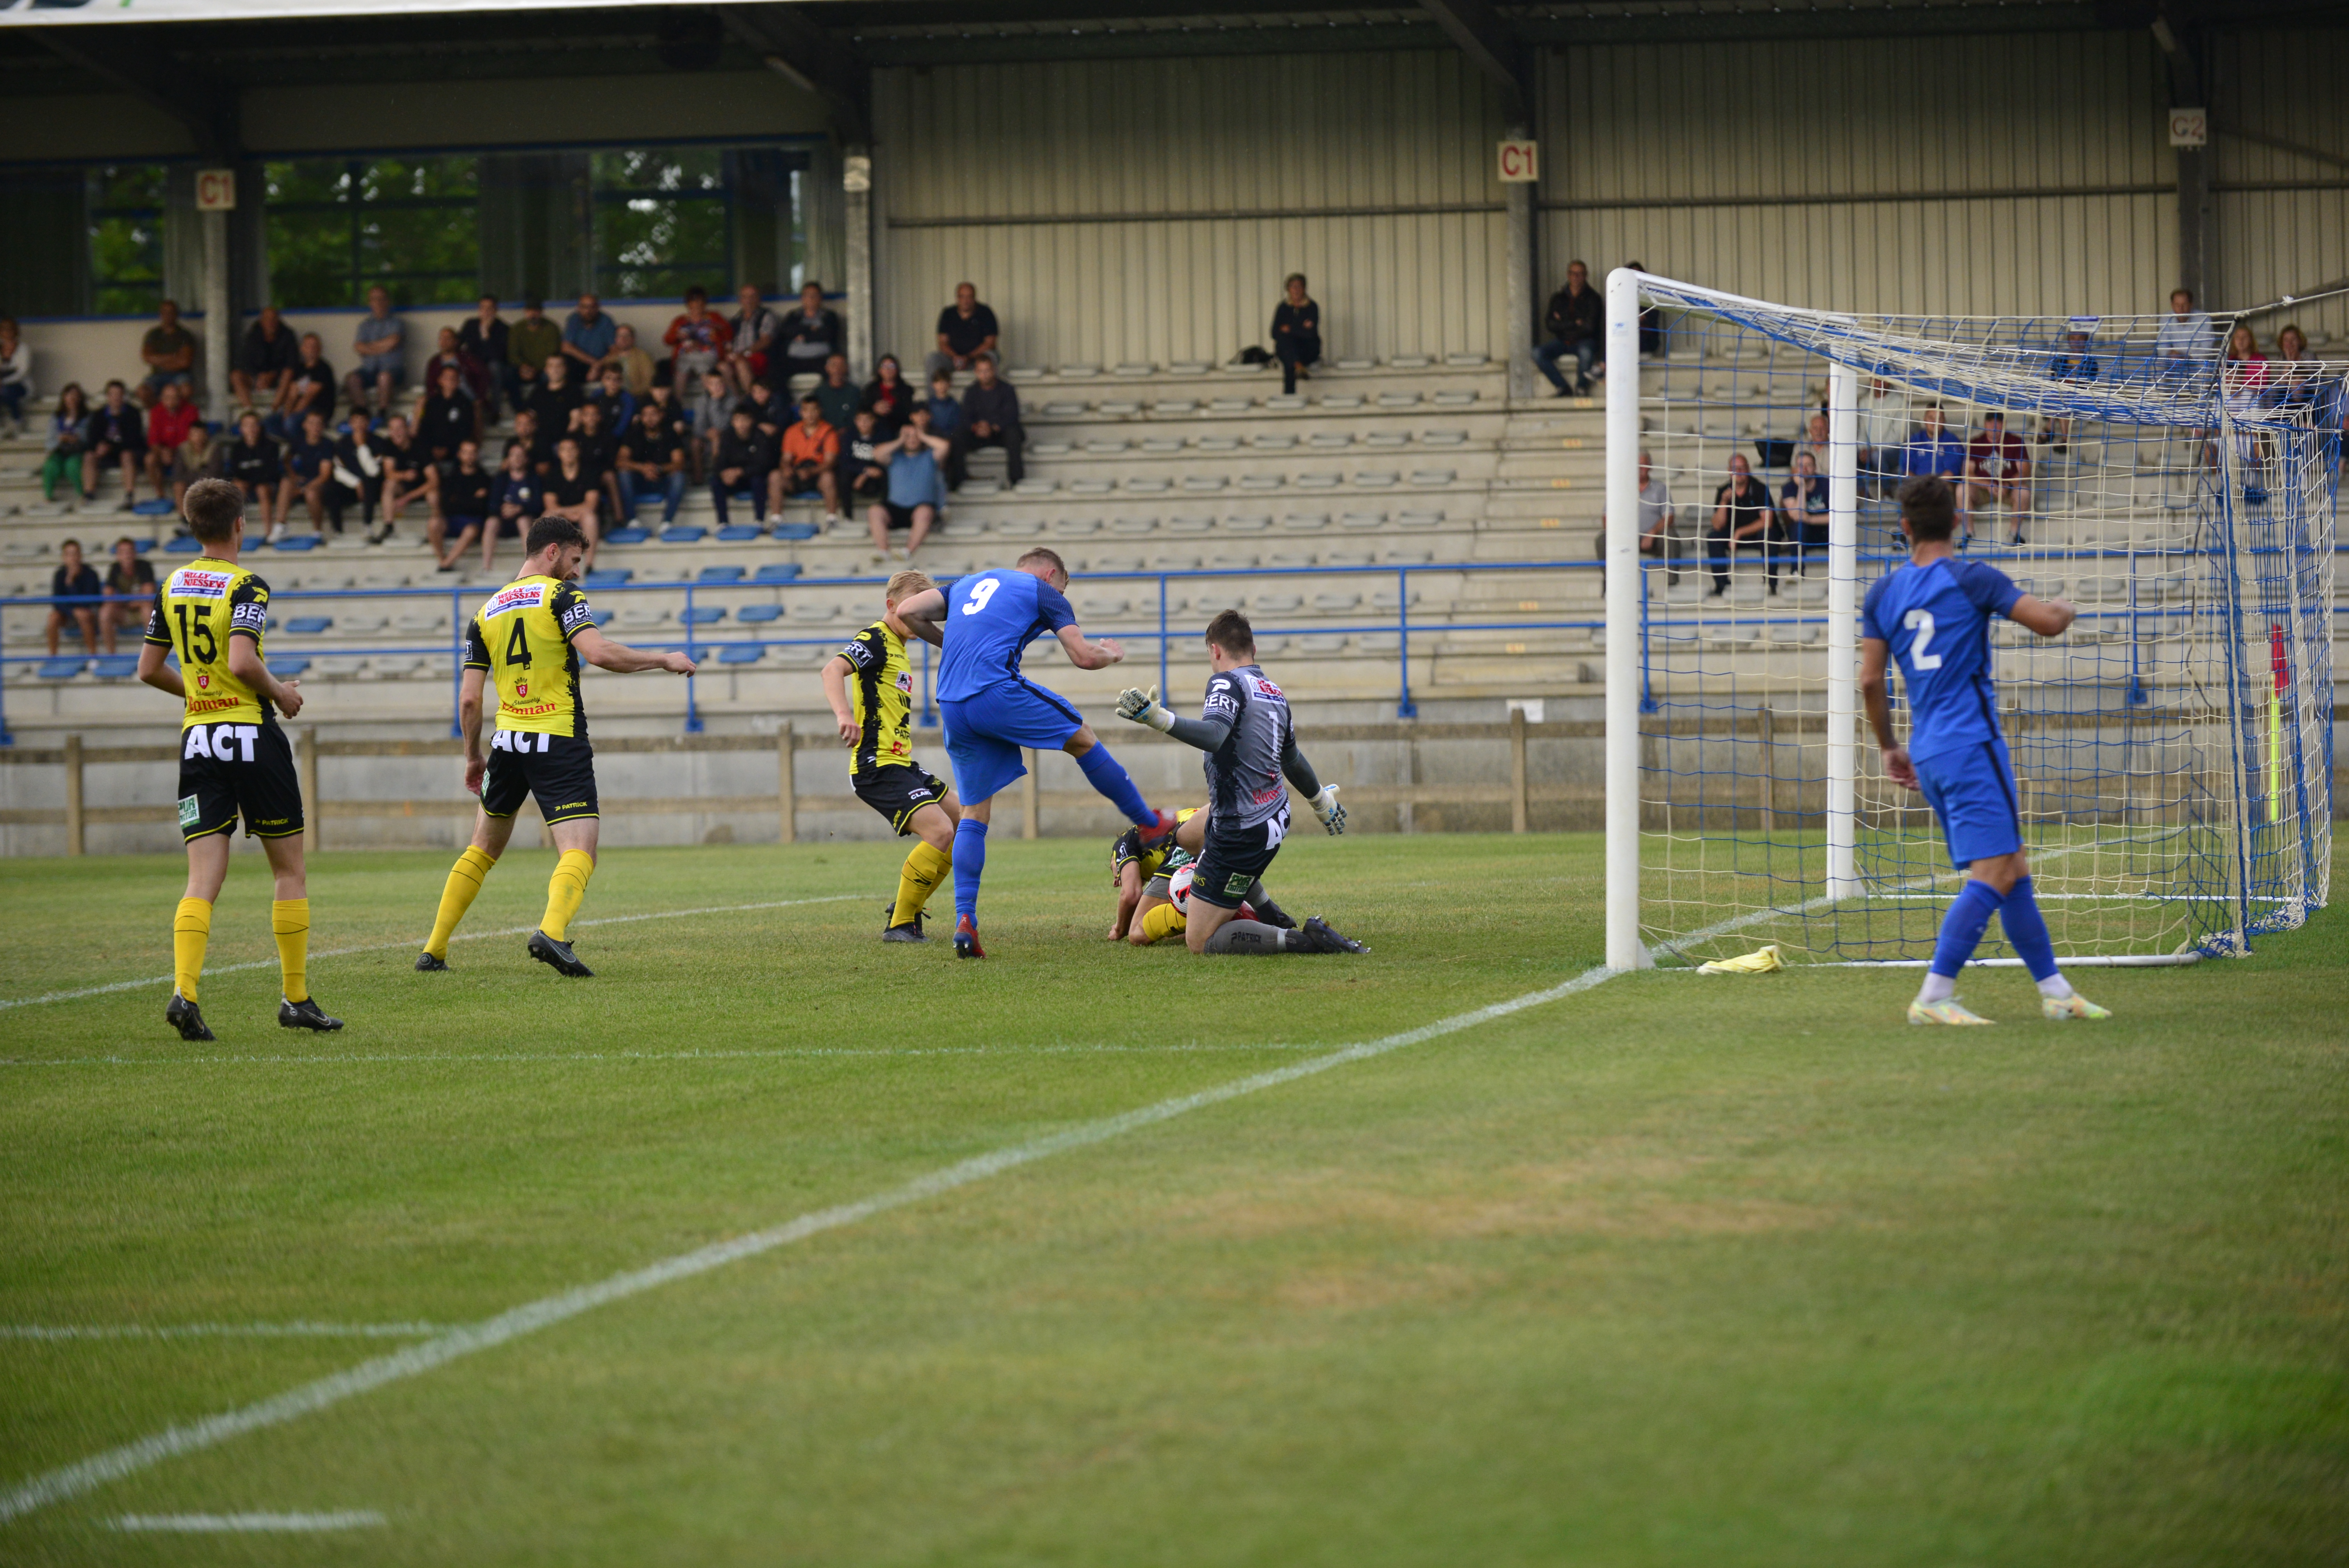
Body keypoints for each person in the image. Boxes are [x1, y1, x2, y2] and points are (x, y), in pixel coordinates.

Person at [1859, 474, 2107, 1026]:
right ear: (1958, 522)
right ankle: (1933, 996)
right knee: (1993, 873)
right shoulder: (1973, 579)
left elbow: (1871, 681)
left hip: (1927, 751)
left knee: (2012, 867)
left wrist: (1888, 747)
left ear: (1904, 529)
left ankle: (2057, 991)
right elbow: (2046, 623)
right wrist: (2065, 607)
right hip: (1972, 744)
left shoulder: (1882, 593)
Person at [415, 515, 697, 978]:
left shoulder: (484, 612)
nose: (576, 570)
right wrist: (663, 658)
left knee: (481, 849)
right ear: (551, 551)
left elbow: (469, 697)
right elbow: (599, 652)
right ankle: (551, 931)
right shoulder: (561, 596)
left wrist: (473, 755)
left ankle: (434, 948)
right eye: (574, 558)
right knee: (580, 849)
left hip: (506, 742)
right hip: (557, 736)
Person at [890, 548, 1176, 959]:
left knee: (973, 813)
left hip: (952, 703)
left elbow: (907, 610)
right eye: (1061, 586)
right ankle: (1148, 825)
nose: (1060, 594)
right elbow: (1082, 656)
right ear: (1050, 574)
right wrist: (1111, 654)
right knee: (1082, 738)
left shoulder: (969, 583)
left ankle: (965, 921)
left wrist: (951, 641)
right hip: (993, 689)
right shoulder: (1043, 591)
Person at [135, 477, 341, 1040]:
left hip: (199, 739)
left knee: (201, 879)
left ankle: (185, 991)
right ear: (240, 525)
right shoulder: (247, 585)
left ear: (191, 525)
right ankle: (296, 998)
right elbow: (244, 661)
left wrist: (203, 696)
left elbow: (148, 670)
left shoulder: (173, 584)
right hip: (250, 736)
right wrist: (280, 692)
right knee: (289, 869)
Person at [1111, 611, 1363, 955]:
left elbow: (1215, 735)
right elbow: (1292, 760)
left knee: (1200, 941)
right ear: (1254, 649)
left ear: (1215, 650)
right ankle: (1264, 906)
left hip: (1242, 827)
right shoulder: (1275, 693)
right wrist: (1321, 802)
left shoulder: (1226, 682)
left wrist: (1158, 718)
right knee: (1186, 835)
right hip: (1274, 813)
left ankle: (1306, 941)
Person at [822, 570, 966, 943]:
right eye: (914, 610)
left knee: (965, 823)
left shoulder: (900, 647)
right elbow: (832, 669)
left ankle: (909, 904)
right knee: (940, 831)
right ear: (892, 607)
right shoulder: (876, 639)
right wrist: (843, 716)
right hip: (876, 765)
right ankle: (901, 924)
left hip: (901, 763)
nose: (924, 619)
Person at [869, 403, 950, 561]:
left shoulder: (929, 456)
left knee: (925, 512)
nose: (912, 440)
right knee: (875, 511)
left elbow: (945, 446)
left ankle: (907, 551)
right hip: (895, 507)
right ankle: (884, 551)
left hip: (920, 507)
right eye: (908, 437)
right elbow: (877, 453)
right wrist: (901, 440)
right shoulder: (894, 457)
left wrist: (922, 435)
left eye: (915, 437)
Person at [1706, 453, 1777, 597]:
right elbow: (1718, 525)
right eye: (1735, 468)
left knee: (1768, 534)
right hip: (1733, 538)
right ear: (1729, 471)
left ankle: (1771, 583)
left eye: (1742, 468)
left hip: (1756, 535)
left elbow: (1768, 521)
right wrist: (1724, 503)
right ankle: (1722, 585)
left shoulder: (1760, 489)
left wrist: (1740, 533)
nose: (1738, 472)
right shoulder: (1724, 491)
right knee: (1713, 537)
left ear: (1748, 469)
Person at [1961, 410, 2031, 546]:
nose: (1994, 428)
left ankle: (2014, 534)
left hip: (2008, 491)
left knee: (2024, 491)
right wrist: (1988, 485)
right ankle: (1969, 534)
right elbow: (1967, 473)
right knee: (1961, 489)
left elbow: (2026, 472)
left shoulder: (2015, 442)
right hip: (1982, 491)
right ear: (1985, 424)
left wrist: (2008, 484)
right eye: (1991, 424)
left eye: (1998, 425)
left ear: (2004, 425)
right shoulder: (1975, 443)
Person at [615, 399, 687, 527]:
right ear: (641, 418)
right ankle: (632, 521)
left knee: (679, 477)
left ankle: (667, 522)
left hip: (662, 481)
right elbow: (620, 461)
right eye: (646, 415)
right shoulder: (633, 433)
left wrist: (658, 469)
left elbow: (680, 463)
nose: (650, 419)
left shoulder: (670, 434)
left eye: (654, 414)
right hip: (640, 482)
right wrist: (642, 468)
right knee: (624, 474)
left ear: (661, 415)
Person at [955, 353, 1024, 486]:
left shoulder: (1008, 389)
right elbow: (965, 417)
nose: (985, 375)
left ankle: (1017, 481)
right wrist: (976, 428)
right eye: (981, 371)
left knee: (1014, 434)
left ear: (994, 370)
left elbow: (1012, 415)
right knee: (957, 435)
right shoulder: (971, 391)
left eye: (987, 371)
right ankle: (959, 483)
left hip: (1000, 434)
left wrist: (993, 427)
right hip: (978, 435)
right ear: (976, 372)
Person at [1536, 260, 1603, 396]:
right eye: (1573, 273)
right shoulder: (1558, 298)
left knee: (1586, 353)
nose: (1576, 277)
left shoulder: (1594, 298)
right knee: (1537, 353)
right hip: (1563, 342)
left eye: (1580, 274)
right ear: (1568, 275)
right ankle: (1562, 387)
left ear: (1586, 276)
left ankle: (1581, 388)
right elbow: (1550, 324)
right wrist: (1575, 323)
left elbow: (1590, 327)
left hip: (1584, 341)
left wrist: (1563, 323)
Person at [709, 404, 781, 530]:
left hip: (752, 478)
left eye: (745, 420)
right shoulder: (727, 436)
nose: (742, 424)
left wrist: (741, 472)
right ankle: (723, 523)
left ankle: (759, 521)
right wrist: (724, 474)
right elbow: (720, 463)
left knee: (758, 480)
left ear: (752, 421)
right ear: (733, 422)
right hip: (733, 480)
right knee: (715, 481)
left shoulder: (760, 436)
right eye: (738, 420)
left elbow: (764, 464)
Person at [431, 439, 497, 572]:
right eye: (466, 453)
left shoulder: (485, 479)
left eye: (473, 453)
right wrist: (473, 499)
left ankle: (445, 566)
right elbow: (447, 506)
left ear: (477, 455)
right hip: (452, 521)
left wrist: (459, 500)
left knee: (471, 531)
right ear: (460, 455)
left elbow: (482, 508)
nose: (469, 456)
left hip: (473, 523)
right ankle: (442, 559)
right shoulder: (451, 478)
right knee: (433, 523)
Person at [479, 441, 543, 574]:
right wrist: (503, 509)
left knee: (523, 521)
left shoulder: (534, 479)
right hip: (504, 522)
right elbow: (491, 505)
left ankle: (531, 569)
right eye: (513, 455)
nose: (517, 459)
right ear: (508, 459)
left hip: (526, 522)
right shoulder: (500, 479)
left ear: (526, 459)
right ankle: (486, 568)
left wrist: (520, 509)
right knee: (491, 522)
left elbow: (538, 505)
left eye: (521, 455)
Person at [86, 380, 149, 510]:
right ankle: (89, 495)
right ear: (108, 396)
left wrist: (111, 446)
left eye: (119, 394)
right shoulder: (98, 415)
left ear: (124, 396)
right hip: (106, 455)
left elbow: (134, 439)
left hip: (127, 452)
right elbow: (92, 438)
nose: (116, 397)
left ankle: (129, 496)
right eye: (113, 394)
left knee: (127, 455)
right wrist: (99, 447)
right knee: (89, 456)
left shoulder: (133, 413)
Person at [780, 395, 841, 525]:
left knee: (829, 477)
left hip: (818, 474)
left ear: (820, 411)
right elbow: (786, 458)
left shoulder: (829, 431)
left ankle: (832, 519)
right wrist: (786, 467)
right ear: (801, 412)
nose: (810, 414)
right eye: (806, 410)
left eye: (814, 410)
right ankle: (776, 519)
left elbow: (830, 463)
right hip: (797, 475)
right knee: (775, 477)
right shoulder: (792, 431)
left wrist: (811, 472)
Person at [542, 436, 602, 567]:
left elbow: (592, 504)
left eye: (572, 449)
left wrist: (567, 512)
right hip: (563, 518)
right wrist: (568, 514)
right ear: (559, 454)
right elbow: (550, 505)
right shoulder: (553, 475)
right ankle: (550, 566)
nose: (568, 453)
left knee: (590, 518)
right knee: (547, 517)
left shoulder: (589, 473)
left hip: (583, 516)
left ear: (578, 451)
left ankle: (589, 565)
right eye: (564, 450)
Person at [663, 287, 724, 416]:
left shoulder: (714, 317)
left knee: (703, 367)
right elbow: (667, 340)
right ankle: (675, 411)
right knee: (681, 370)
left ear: (705, 303)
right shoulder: (680, 320)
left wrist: (718, 329)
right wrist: (677, 336)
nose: (697, 305)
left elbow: (729, 334)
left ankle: (709, 410)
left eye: (700, 302)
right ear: (688, 304)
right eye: (693, 302)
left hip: (707, 356)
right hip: (686, 356)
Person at [223, 410, 285, 537]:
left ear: (260, 427)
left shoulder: (271, 446)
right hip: (247, 484)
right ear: (241, 429)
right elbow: (234, 472)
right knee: (237, 489)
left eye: (254, 425)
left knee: (262, 489)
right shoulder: (237, 449)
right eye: (247, 425)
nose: (251, 429)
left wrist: (251, 479)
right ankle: (231, 533)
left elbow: (271, 472)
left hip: (267, 485)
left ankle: (269, 533)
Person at [346, 285, 405, 417]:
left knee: (384, 377)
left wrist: (370, 348)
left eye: (381, 299)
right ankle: (364, 413)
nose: (378, 303)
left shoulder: (397, 323)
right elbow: (359, 347)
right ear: (370, 303)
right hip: (368, 371)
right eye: (374, 299)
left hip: (393, 372)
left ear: (387, 301)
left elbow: (394, 342)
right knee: (351, 379)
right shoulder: (364, 325)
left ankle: (382, 414)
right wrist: (383, 346)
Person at [777, 280, 843, 395]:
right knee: (776, 371)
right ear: (802, 298)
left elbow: (829, 334)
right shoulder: (794, 315)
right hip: (795, 359)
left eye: (815, 295)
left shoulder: (829, 316)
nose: (811, 299)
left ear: (820, 298)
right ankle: (788, 405)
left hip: (821, 359)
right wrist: (811, 330)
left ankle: (823, 404)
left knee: (834, 370)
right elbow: (786, 331)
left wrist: (803, 336)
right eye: (808, 295)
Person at [144, 380, 203, 506]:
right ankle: (160, 495)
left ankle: (188, 499)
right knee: (150, 460)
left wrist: (173, 452)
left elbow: (191, 440)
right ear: (162, 399)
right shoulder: (156, 412)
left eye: (174, 397)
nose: (171, 401)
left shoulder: (191, 411)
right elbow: (153, 441)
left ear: (180, 398)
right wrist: (162, 452)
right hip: (164, 451)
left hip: (185, 451)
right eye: (167, 397)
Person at [375, 412, 433, 543]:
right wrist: (404, 475)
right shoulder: (389, 444)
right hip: (404, 487)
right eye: (392, 429)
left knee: (434, 495)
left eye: (400, 428)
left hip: (422, 488)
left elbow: (434, 481)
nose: (396, 433)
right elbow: (389, 473)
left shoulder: (420, 446)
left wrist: (407, 498)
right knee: (389, 484)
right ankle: (389, 527)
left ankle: (435, 529)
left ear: (407, 429)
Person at [326, 410, 385, 536]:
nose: (359, 425)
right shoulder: (342, 444)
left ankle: (368, 526)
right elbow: (338, 471)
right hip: (353, 488)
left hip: (374, 490)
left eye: (363, 421)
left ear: (368, 423)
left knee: (369, 482)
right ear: (350, 424)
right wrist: (357, 484)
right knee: (332, 489)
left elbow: (374, 472)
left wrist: (361, 446)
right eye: (356, 421)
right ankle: (338, 531)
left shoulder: (378, 442)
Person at [280, 409, 337, 539]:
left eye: (319, 424)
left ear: (323, 427)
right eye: (312, 423)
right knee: (286, 482)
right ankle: (281, 525)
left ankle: (318, 531)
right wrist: (293, 476)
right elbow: (286, 461)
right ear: (305, 425)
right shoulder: (298, 442)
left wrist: (303, 489)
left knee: (311, 493)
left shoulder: (327, 444)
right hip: (302, 481)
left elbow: (325, 475)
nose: (315, 427)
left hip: (322, 484)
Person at [231, 306, 299, 414]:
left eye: (274, 319)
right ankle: (250, 411)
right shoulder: (253, 336)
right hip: (257, 379)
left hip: (279, 379)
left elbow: (292, 363)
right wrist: (259, 377)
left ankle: (273, 410)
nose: (271, 323)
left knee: (288, 373)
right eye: (267, 319)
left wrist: (273, 375)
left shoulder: (288, 336)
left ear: (278, 321)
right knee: (236, 376)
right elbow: (244, 362)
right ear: (262, 321)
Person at [269, 334, 336, 443]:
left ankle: (299, 447)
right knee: (269, 422)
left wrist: (288, 417)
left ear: (320, 349)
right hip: (297, 410)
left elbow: (307, 399)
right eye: (308, 346)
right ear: (302, 349)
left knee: (290, 423)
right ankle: (295, 443)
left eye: (315, 346)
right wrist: (286, 414)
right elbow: (292, 395)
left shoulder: (323, 368)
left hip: (317, 410)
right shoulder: (299, 368)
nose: (312, 349)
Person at [928, 282, 999, 381]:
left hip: (976, 360)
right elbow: (942, 343)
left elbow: (990, 343)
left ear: (975, 298)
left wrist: (968, 357)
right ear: (957, 298)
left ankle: (991, 395)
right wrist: (956, 357)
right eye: (962, 297)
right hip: (952, 360)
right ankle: (934, 397)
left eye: (969, 297)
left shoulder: (985, 312)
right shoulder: (948, 314)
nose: (966, 301)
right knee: (933, 359)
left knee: (992, 357)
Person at [102, 535, 159, 655]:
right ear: (118, 555)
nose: (127, 555)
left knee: (148, 609)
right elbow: (107, 595)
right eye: (123, 552)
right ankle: (111, 655)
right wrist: (130, 602)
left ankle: (152, 655)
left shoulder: (144, 566)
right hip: (124, 612)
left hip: (141, 612)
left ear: (135, 553)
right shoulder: (115, 568)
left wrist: (123, 601)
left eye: (130, 551)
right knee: (105, 612)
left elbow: (148, 594)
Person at [1777, 450, 1830, 577]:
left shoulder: (1827, 484)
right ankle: (1797, 572)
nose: (1805, 469)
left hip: (1825, 531)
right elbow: (1797, 516)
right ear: (1795, 468)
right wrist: (1801, 486)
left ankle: (1840, 574)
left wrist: (1810, 519)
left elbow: (1838, 517)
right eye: (1801, 466)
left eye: (1809, 465)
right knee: (1799, 526)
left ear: (1815, 468)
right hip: (1803, 534)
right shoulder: (1789, 487)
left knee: (1840, 530)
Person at [46, 538, 102, 658]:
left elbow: (90, 600)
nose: (73, 558)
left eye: (76, 554)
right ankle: (53, 657)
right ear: (64, 557)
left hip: (89, 613)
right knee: (53, 618)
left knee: (83, 615)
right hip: (68, 614)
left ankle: (93, 656)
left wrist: (72, 585)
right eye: (69, 554)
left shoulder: (91, 574)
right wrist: (73, 611)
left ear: (81, 556)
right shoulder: (60, 575)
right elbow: (57, 603)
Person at [457, 294, 512, 414]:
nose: (486, 312)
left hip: (494, 367)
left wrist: (486, 336)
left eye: (490, 308)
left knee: (495, 367)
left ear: (496, 310)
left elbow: (499, 356)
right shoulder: (471, 325)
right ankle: (468, 410)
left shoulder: (503, 329)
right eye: (483, 308)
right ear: (479, 310)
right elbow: (459, 345)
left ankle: (494, 410)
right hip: (474, 365)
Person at [1859, 376, 1913, 495]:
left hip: (1894, 451)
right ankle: (1863, 493)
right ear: (1871, 381)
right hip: (1870, 452)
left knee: (1877, 456)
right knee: (1848, 454)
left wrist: (1875, 449)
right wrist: (1863, 449)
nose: (1881, 383)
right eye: (1877, 380)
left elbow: (1900, 435)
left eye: (1884, 380)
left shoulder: (1900, 402)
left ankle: (1887, 491)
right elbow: (1862, 431)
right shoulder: (1864, 402)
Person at [415, 362, 476, 469]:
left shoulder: (465, 404)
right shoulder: (432, 403)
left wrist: (447, 450)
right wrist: (433, 448)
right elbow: (425, 429)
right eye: (447, 377)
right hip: (432, 449)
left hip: (454, 449)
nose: (450, 381)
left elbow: (465, 431)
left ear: (459, 382)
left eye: (453, 378)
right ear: (440, 380)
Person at [41, 383, 93, 505]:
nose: (72, 399)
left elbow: (86, 435)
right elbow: (51, 438)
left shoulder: (87, 417)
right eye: (69, 396)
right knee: (50, 466)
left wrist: (74, 437)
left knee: (73, 466)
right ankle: (48, 497)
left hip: (78, 451)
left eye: (76, 396)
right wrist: (60, 439)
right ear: (64, 398)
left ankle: (82, 495)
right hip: (60, 450)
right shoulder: (56, 417)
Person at [139, 299, 197, 408]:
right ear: (161, 314)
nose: (168, 315)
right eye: (165, 312)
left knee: (186, 390)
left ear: (177, 314)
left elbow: (185, 362)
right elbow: (147, 357)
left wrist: (159, 361)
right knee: (142, 392)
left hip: (181, 376)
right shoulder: (153, 335)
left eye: (172, 312)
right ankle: (161, 414)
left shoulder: (185, 335)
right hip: (158, 376)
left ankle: (178, 418)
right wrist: (175, 357)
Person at [1270, 273, 1321, 395]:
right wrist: (1300, 328)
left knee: (1289, 354)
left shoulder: (1312, 307)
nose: (1296, 290)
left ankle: (1289, 395)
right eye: (1293, 286)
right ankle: (1298, 365)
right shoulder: (1283, 307)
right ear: (1288, 289)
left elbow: (1310, 334)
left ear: (1304, 289)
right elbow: (1274, 333)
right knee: (1286, 346)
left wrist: (1290, 329)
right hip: (1288, 350)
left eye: (1299, 286)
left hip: (1307, 350)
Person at [724, 283, 779, 396]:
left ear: (759, 299)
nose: (749, 300)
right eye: (745, 297)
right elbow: (728, 344)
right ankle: (738, 403)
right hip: (738, 357)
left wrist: (744, 353)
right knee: (722, 367)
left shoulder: (766, 316)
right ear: (740, 300)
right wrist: (729, 354)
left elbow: (766, 340)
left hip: (757, 356)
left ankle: (752, 401)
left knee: (741, 363)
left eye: (753, 296)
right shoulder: (736, 320)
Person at [689, 369, 739, 484]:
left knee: (717, 438)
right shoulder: (700, 401)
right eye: (713, 384)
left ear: (724, 384)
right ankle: (698, 479)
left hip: (726, 438)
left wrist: (715, 401)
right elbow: (698, 427)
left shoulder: (732, 401)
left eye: (720, 383)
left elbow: (723, 425)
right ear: (707, 386)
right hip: (706, 438)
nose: (717, 387)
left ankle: (718, 476)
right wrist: (707, 433)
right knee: (695, 443)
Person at [507, 301, 564, 401]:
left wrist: (536, 369)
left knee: (549, 375)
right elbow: (512, 354)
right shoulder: (517, 329)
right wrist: (523, 367)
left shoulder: (551, 328)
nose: (533, 314)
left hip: (543, 369)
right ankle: (520, 410)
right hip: (523, 369)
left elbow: (553, 353)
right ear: (525, 312)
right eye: (530, 311)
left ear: (541, 312)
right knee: (509, 376)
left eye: (536, 311)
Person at [2155, 287, 2216, 372]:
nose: (2181, 308)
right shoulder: (2166, 319)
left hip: (2196, 360)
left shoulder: (2204, 318)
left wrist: (2188, 358)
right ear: (2172, 305)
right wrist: (2170, 354)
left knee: (2205, 363)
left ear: (2191, 305)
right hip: (2174, 360)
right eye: (2177, 305)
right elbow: (2162, 346)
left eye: (2184, 305)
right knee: (2157, 365)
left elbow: (2207, 348)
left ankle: (2203, 386)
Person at [527, 353, 583, 439]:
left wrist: (566, 442)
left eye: (559, 366)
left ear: (565, 368)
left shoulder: (574, 390)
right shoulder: (539, 391)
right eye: (552, 366)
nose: (555, 370)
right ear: (546, 370)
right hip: (541, 441)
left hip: (564, 441)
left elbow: (576, 420)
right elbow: (530, 415)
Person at [561, 292, 617, 381]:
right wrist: (593, 363)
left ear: (598, 308)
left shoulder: (606, 321)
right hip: (580, 365)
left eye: (592, 307)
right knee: (566, 363)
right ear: (579, 308)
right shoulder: (574, 320)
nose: (588, 311)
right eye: (585, 307)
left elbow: (615, 350)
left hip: (602, 365)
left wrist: (598, 365)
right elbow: (566, 347)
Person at [861, 353, 914, 437]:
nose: (888, 370)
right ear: (879, 370)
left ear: (897, 370)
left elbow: (908, 412)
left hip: (899, 429)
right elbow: (863, 409)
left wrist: (891, 409)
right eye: (884, 366)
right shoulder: (870, 389)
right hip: (875, 430)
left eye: (892, 366)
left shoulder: (906, 390)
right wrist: (875, 410)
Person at [813, 352, 861, 435]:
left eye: (841, 365)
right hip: (825, 435)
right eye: (834, 365)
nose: (838, 369)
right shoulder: (819, 393)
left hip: (850, 435)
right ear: (827, 368)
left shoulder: (855, 392)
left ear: (847, 368)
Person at [608, 323, 655, 398]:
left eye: (627, 336)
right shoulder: (610, 358)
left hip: (636, 397)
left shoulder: (643, 357)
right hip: (613, 397)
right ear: (616, 339)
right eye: (620, 336)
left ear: (633, 339)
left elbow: (649, 382)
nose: (623, 339)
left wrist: (630, 394)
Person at [0, 315, 28, 434]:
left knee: (6, 392)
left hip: (21, 386)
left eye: (10, 329)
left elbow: (23, 372)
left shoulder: (23, 349)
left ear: (16, 331)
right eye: (4, 329)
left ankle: (17, 420)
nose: (7, 332)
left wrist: (3, 382)